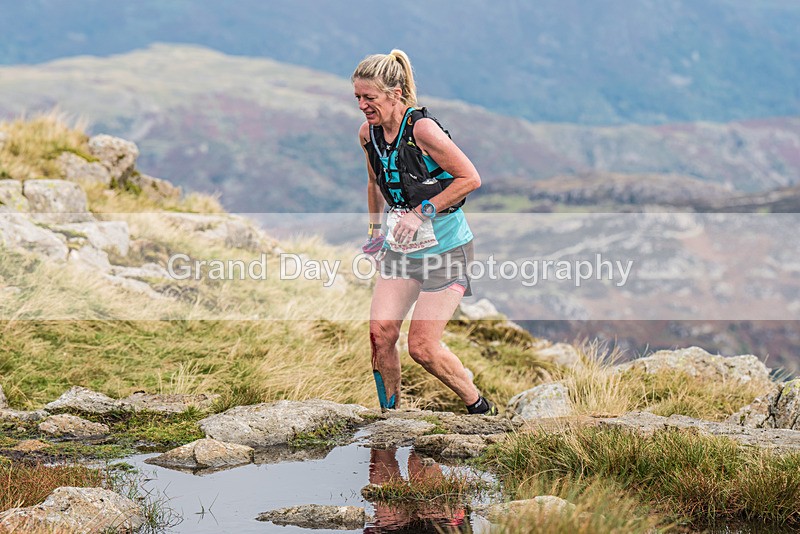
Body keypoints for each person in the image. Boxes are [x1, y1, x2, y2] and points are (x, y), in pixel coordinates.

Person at [352, 49, 497, 416]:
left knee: (422, 348)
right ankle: (391, 417)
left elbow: (471, 178)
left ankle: (478, 406)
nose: (362, 106)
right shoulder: (368, 134)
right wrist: (374, 230)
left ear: (395, 93)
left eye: (370, 98)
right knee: (380, 333)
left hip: (447, 251)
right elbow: (373, 181)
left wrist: (421, 212)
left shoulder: (422, 129)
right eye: (357, 98)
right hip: (401, 252)